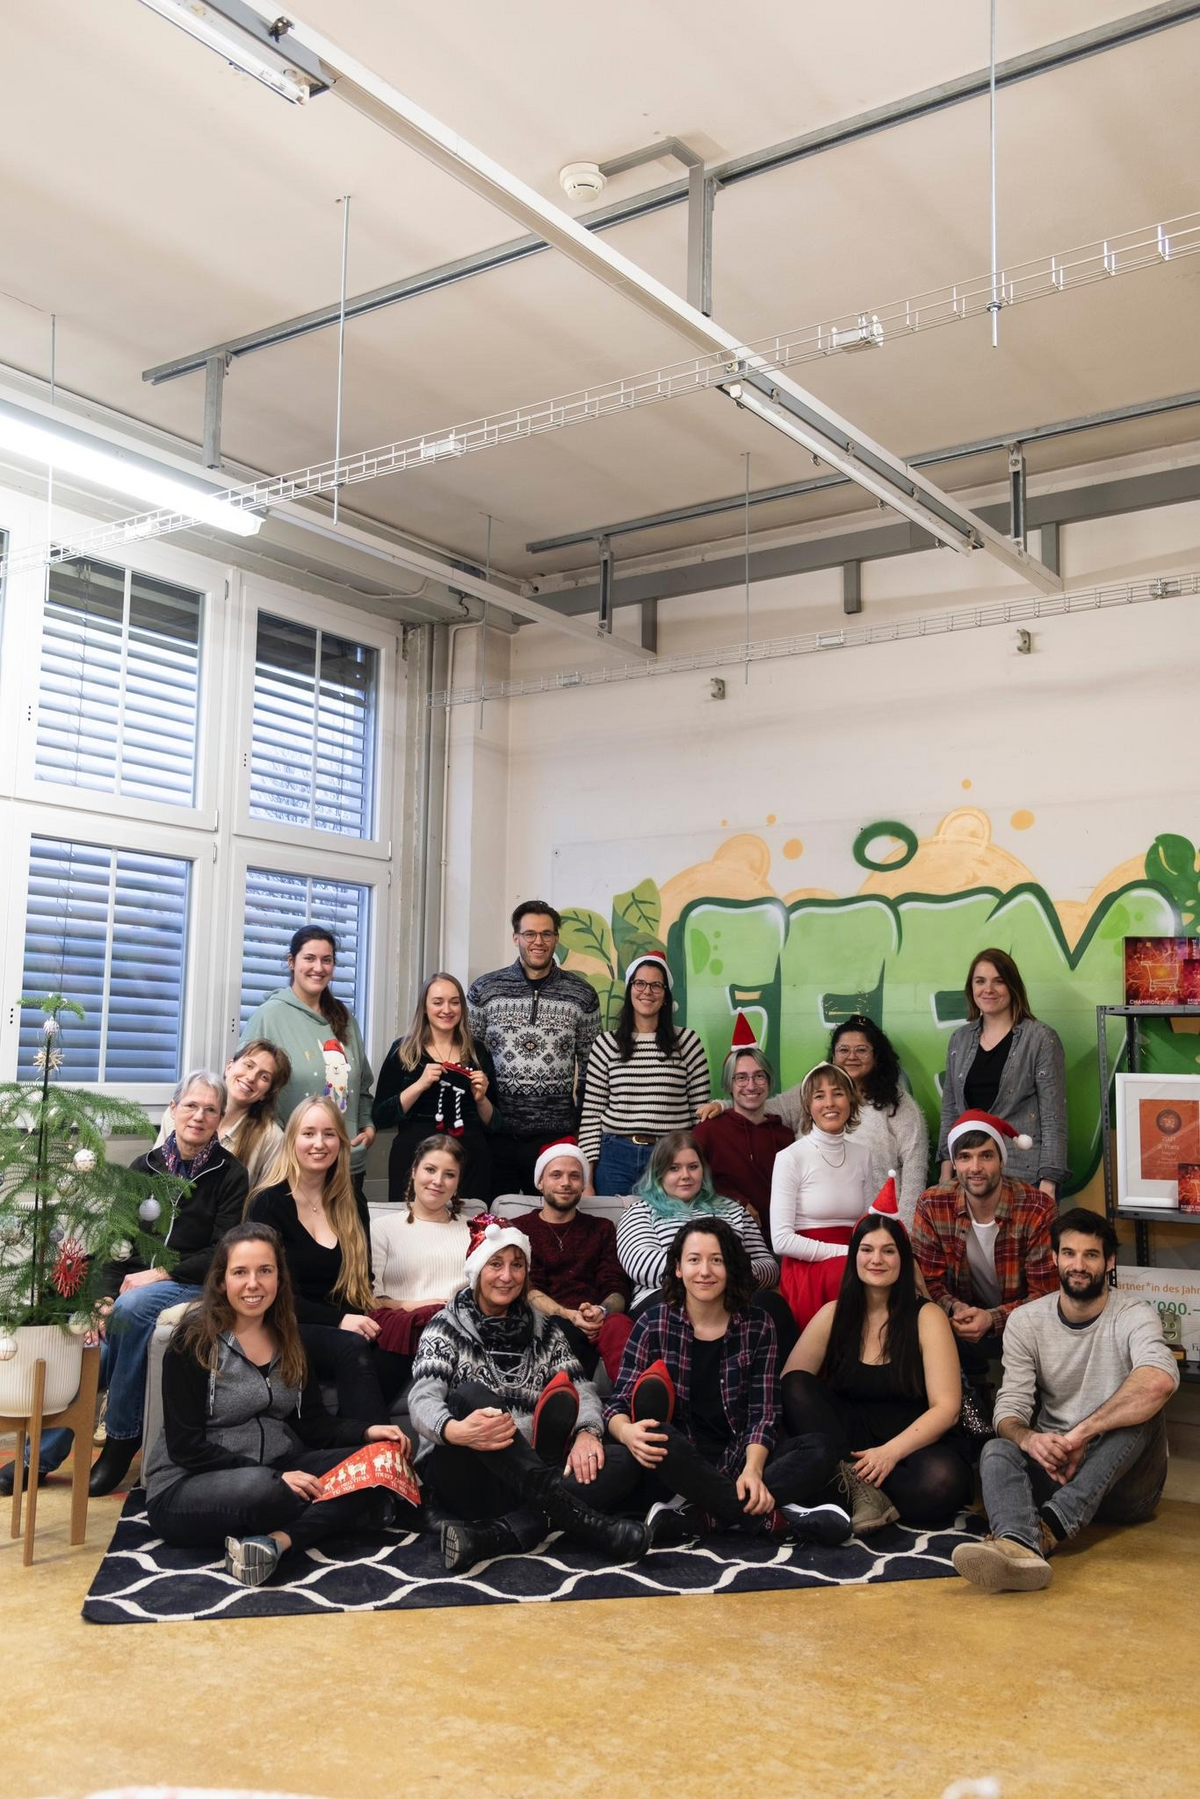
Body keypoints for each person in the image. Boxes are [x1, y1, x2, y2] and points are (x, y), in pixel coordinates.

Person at [142, 1224, 415, 1587]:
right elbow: (184, 1445)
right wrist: (277, 1479)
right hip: (187, 1486)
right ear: (222, 1281)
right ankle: (341, 1513)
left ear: (279, 1278)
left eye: (264, 1271)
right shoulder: (192, 1342)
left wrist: (367, 1432)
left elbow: (312, 1424)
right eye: (240, 1272)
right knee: (267, 1490)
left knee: (382, 1460)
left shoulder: (290, 1338)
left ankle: (277, 1542)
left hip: (278, 1467)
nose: (253, 1284)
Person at [952, 1208, 1178, 1592]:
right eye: (1069, 1253)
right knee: (995, 1448)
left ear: (1109, 1262)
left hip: (1126, 1488)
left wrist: (1081, 1436)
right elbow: (1011, 1409)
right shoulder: (1027, 1321)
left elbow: (1159, 1380)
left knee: (1143, 1414)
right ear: (1054, 1258)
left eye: (1091, 1255)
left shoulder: (1134, 1313)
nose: (1078, 1264)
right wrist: (1031, 1440)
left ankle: (1047, 1530)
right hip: (1056, 1469)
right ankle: (1018, 1544)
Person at [51, 1071, 250, 1499]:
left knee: (134, 1308)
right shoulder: (144, 1166)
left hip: (191, 1284)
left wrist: (160, 1273)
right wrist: (102, 1297)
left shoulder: (231, 1174)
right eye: (191, 1106)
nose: (198, 1116)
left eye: (210, 1109)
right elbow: (115, 1241)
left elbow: (222, 1251)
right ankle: (39, 1458)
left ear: (220, 1118)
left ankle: (121, 1441)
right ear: (173, 1109)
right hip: (134, 1287)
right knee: (94, 1348)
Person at [406, 1219, 649, 1571]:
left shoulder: (546, 1329)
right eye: (496, 1264)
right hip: (466, 1469)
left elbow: (582, 1388)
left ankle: (496, 1534)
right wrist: (453, 1430)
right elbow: (422, 1400)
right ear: (476, 1272)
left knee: (624, 1461)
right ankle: (584, 1521)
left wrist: (586, 1433)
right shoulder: (445, 1326)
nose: (507, 1276)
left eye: (516, 1265)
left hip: (529, 1472)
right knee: (470, 1396)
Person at [604, 1217, 848, 1547]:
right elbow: (617, 1404)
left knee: (821, 1447)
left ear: (731, 1267)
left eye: (716, 1260)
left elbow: (764, 1412)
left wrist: (753, 1471)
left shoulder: (758, 1325)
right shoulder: (652, 1322)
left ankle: (701, 1515)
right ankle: (776, 1519)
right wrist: (627, 1432)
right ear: (678, 1268)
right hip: (681, 1462)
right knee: (657, 1435)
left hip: (741, 1453)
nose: (705, 1271)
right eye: (694, 1260)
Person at [781, 1211, 973, 1536]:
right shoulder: (833, 1314)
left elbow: (947, 1408)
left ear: (903, 1259)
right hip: (847, 1442)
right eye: (867, 1249)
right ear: (854, 1256)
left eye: (888, 1250)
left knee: (943, 1481)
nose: (876, 1260)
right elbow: (789, 1388)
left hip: (910, 1443)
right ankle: (857, 1488)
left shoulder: (927, 1316)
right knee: (795, 1384)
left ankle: (840, 1493)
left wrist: (888, 1454)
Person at [246, 1098, 398, 1422]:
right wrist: (341, 1322)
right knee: (351, 1346)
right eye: (309, 1133)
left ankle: (349, 1446)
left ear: (341, 1143)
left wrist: (359, 1319)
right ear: (292, 1141)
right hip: (282, 1324)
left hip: (343, 1324)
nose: (319, 1143)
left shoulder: (352, 1200)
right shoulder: (268, 1203)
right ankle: (375, 1458)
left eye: (329, 1134)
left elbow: (362, 1281)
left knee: (397, 1347)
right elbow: (267, 1294)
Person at [467, 900, 600, 1198]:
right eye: (529, 934)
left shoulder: (582, 994)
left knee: (550, 1224)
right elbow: (469, 1060)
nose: (538, 942)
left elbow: (592, 1070)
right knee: (492, 1224)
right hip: (495, 1134)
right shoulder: (484, 990)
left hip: (554, 1137)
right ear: (516, 937)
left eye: (546, 934)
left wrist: (580, 1129)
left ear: (556, 938)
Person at [912, 1111, 1057, 1378]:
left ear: (1002, 1160)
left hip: (1025, 1327)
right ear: (954, 1163)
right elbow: (926, 1282)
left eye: (986, 1155)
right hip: (955, 1325)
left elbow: (1046, 1295)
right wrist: (955, 1308)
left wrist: (993, 1318)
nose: (975, 1167)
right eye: (965, 1157)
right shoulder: (932, 1204)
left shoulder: (1037, 1207)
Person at [241, 925, 376, 1192]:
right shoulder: (269, 1016)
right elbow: (246, 1089)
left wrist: (367, 1126)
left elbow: (362, 1088)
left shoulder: (346, 1020)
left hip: (347, 1164)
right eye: (309, 958)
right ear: (291, 962)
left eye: (327, 960)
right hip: (291, 1164)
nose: (319, 967)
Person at [937, 948, 1067, 1198]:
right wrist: (945, 1173)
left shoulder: (1040, 1038)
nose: (988, 989)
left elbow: (1054, 1119)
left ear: (1013, 986)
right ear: (971, 988)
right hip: (970, 1175)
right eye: (980, 981)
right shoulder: (959, 1040)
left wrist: (1048, 1183)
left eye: (999, 981)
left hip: (1024, 1175)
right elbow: (950, 1111)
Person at [578, 953, 712, 1196]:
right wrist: (587, 1180)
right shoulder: (606, 1044)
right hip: (615, 1156)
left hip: (670, 1156)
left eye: (655, 985)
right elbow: (591, 1115)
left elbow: (699, 1117)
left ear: (665, 996)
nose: (646, 991)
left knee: (669, 1229)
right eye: (639, 983)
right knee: (614, 1228)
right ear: (630, 990)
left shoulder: (688, 1042)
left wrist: (693, 1167)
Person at [615, 1131, 779, 1309]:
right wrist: (712, 1271)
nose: (685, 1175)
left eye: (693, 1167)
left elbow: (769, 1267)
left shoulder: (734, 1210)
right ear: (658, 1173)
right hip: (666, 1298)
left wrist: (723, 1276)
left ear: (703, 1169)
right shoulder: (640, 1212)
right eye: (674, 1168)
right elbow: (641, 1266)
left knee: (771, 1303)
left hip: (733, 1295)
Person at [373, 972, 497, 1203]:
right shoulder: (403, 1051)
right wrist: (419, 1085)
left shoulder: (478, 1052)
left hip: (470, 1159)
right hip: (413, 1158)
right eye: (438, 1002)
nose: (447, 1010)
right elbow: (381, 1116)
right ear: (424, 1008)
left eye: (454, 1002)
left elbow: (496, 1123)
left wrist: (481, 1099)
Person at [514, 1138, 630, 1377]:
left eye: (575, 1176)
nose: (566, 1183)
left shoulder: (602, 1228)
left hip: (597, 1318)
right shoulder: (519, 1229)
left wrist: (601, 1310)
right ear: (540, 1181)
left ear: (583, 1183)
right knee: (560, 1329)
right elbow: (526, 1288)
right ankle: (568, 1398)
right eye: (556, 1175)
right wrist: (569, 1315)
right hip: (548, 1319)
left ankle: (635, 1402)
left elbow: (616, 1284)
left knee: (620, 1325)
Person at [769, 1062, 872, 1333]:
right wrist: (845, 1254)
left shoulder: (863, 1155)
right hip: (809, 1267)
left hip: (855, 1257)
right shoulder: (790, 1157)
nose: (830, 1103)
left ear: (850, 1099)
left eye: (837, 1093)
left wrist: (861, 1253)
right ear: (807, 1106)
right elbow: (781, 1241)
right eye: (819, 1096)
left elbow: (869, 1223)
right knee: (847, 1278)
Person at [368, 1134, 472, 1381]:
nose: (438, 1181)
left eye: (449, 1174)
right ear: (414, 1171)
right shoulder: (382, 1228)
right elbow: (372, 1300)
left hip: (460, 1332)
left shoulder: (474, 1229)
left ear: (457, 1182)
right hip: (403, 1331)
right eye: (430, 1169)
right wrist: (425, 1307)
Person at [692, 1013, 794, 1234]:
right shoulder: (706, 1132)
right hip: (723, 1236)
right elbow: (693, 1185)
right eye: (741, 1077)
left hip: (779, 1239)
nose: (751, 1085)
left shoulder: (785, 1137)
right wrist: (736, 1201)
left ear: (769, 1081)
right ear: (729, 1084)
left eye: (759, 1076)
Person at [827, 1018, 929, 1227]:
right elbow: (767, 1109)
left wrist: (904, 1229)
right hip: (828, 1224)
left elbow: (914, 1168)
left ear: (876, 1056)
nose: (852, 1057)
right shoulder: (816, 1095)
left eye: (861, 1050)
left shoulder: (898, 1102)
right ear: (833, 1056)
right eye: (843, 1050)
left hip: (881, 1224)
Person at [155, 1040, 292, 1191]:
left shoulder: (271, 1138)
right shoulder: (180, 1114)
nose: (251, 1077)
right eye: (249, 1065)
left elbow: (265, 1201)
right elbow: (153, 1173)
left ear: (266, 1094)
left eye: (264, 1077)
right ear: (229, 1067)